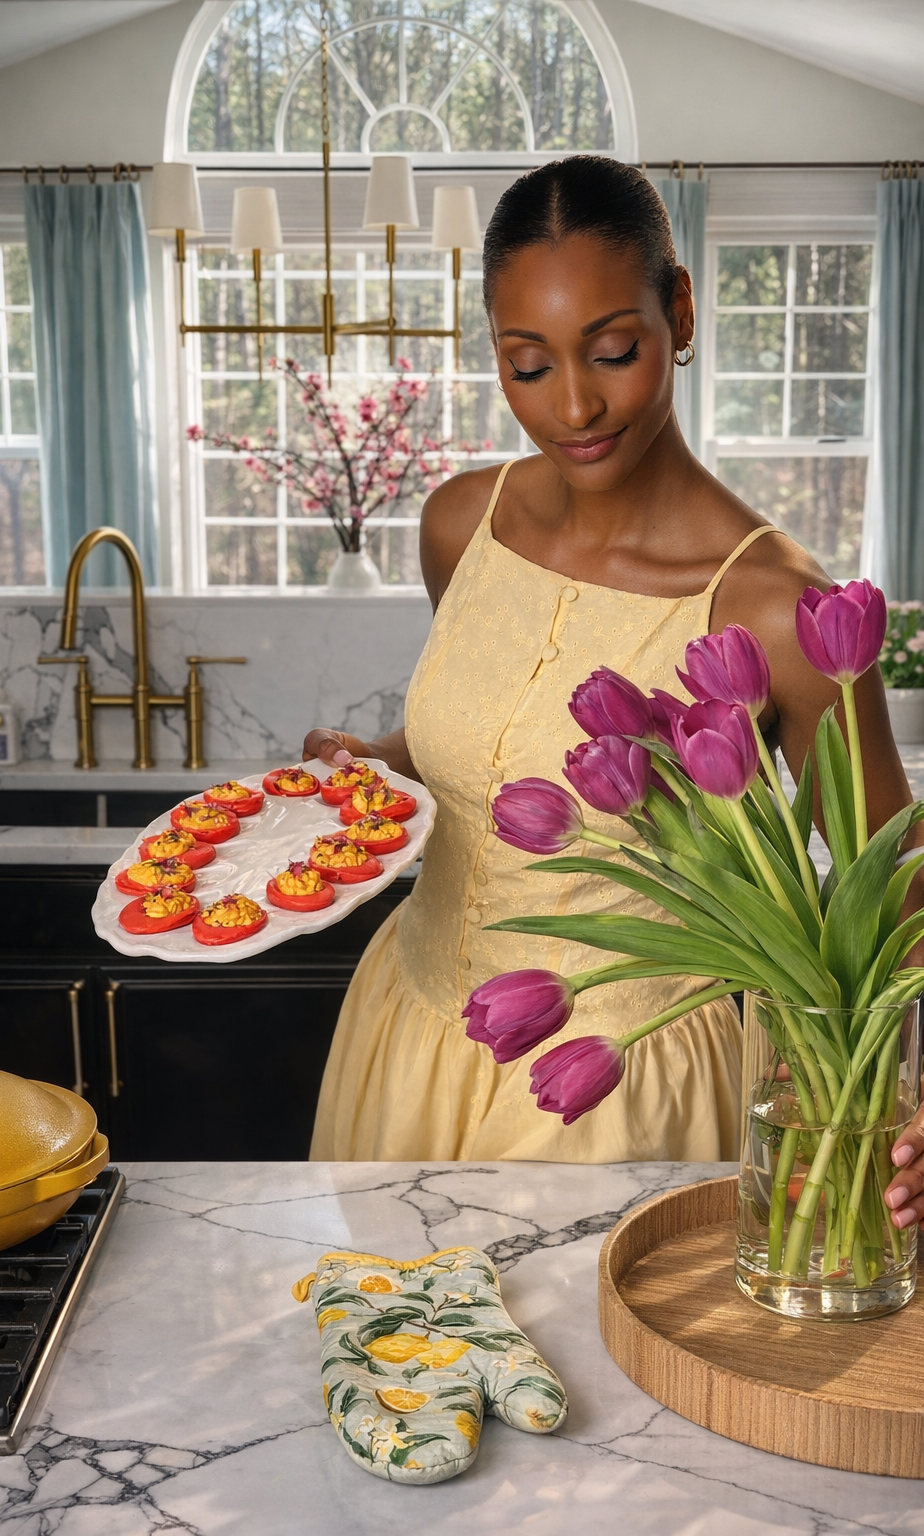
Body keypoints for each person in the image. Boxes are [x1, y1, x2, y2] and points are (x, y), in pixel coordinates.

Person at [304, 156, 919, 1183]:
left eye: (614, 352)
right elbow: (498, 737)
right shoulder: (461, 525)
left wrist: (908, 1097)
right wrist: (370, 760)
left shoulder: (775, 610)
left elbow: (897, 887)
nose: (575, 406)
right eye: (528, 366)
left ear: (679, 312)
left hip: (618, 1089)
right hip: (405, 1035)